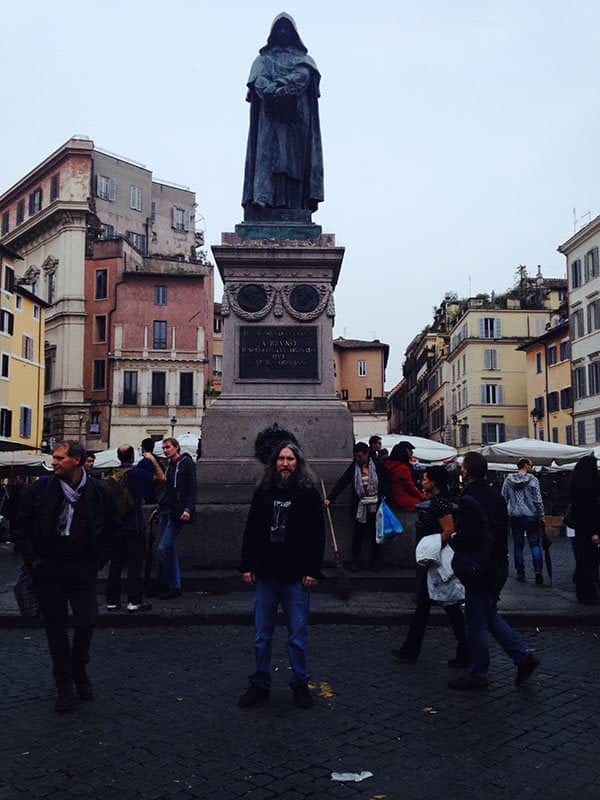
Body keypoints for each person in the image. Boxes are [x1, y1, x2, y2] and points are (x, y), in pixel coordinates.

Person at [16, 441, 114, 713]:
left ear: (77, 460)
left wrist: (98, 561)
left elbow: (110, 529)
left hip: (83, 567)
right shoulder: (39, 490)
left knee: (86, 622)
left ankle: (78, 668)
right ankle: (64, 686)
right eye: (54, 458)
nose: (54, 462)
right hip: (49, 567)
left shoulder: (99, 492)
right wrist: (32, 559)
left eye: (60, 458)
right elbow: (21, 525)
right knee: (55, 630)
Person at [238, 443, 325, 710]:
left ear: (298, 463)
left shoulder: (308, 494)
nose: (285, 463)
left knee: (297, 635)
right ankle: (260, 683)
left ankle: (300, 683)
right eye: (281, 459)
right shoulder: (263, 492)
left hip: (296, 576)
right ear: (274, 463)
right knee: (261, 635)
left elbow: (316, 535)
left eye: (290, 459)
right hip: (266, 573)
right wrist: (247, 565)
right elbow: (251, 529)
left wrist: (313, 570)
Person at [448, 452, 540, 690]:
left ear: (467, 471)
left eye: (463, 467)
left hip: (480, 566)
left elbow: (470, 535)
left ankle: (479, 674)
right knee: (487, 614)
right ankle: (522, 657)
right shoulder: (495, 496)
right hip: (497, 564)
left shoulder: (469, 498)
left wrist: (455, 539)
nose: (461, 470)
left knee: (476, 621)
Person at [242, 13, 324, 215]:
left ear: (294, 33)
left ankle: (295, 205)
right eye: (280, 28)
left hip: (296, 120)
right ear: (273, 33)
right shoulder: (263, 60)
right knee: (267, 158)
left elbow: (303, 77)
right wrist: (269, 90)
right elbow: (257, 81)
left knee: (293, 161)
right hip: (269, 118)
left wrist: (279, 87)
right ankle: (264, 200)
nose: (283, 32)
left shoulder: (305, 61)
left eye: (287, 28)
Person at [392, 466, 467, 667]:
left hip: (435, 561)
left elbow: (449, 529)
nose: (422, 482)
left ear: (434, 482)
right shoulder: (439, 501)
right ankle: (411, 649)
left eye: (425, 479)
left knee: (438, 606)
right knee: (434, 607)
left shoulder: (440, 503)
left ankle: (412, 650)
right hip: (433, 560)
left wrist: (430, 549)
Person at [105, 444, 165, 613]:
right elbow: (161, 479)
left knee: (115, 565)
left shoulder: (110, 475)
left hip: (116, 526)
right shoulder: (137, 473)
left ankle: (112, 601)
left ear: (118, 457)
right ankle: (133, 601)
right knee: (135, 565)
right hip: (134, 524)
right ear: (132, 457)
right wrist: (152, 460)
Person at [326, 441, 385, 572]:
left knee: (376, 535)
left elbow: (386, 482)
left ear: (366, 454)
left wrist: (384, 496)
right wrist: (330, 498)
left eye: (360, 456)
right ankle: (355, 561)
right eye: (356, 457)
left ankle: (375, 562)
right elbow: (343, 482)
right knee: (358, 535)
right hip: (360, 506)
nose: (358, 459)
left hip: (376, 506)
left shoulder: (377, 465)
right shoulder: (354, 467)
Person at [157, 437, 196, 599]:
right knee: (170, 549)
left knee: (163, 548)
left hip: (177, 512)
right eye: (164, 448)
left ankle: (168, 583)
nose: (165, 450)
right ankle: (174, 585)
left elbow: (192, 488)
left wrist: (188, 508)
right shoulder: (169, 466)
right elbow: (167, 489)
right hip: (166, 511)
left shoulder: (186, 463)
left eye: (168, 447)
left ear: (177, 448)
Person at [501, 458, 545, 585]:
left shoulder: (508, 480)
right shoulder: (533, 480)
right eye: (531, 465)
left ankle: (520, 572)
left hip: (515, 516)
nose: (532, 467)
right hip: (531, 515)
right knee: (535, 544)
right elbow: (538, 499)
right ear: (525, 465)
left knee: (518, 545)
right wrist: (541, 516)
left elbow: (503, 497)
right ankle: (538, 571)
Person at [569, 455, 600, 605]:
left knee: (583, 560)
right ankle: (589, 593)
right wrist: (595, 531)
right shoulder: (592, 485)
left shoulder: (575, 483)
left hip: (580, 528)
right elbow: (593, 510)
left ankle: (584, 593)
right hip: (591, 528)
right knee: (590, 561)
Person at [384, 442, 427, 545]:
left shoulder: (388, 465)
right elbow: (410, 487)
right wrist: (423, 497)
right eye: (410, 451)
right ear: (404, 452)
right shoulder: (403, 468)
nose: (411, 453)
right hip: (406, 503)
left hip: (392, 501)